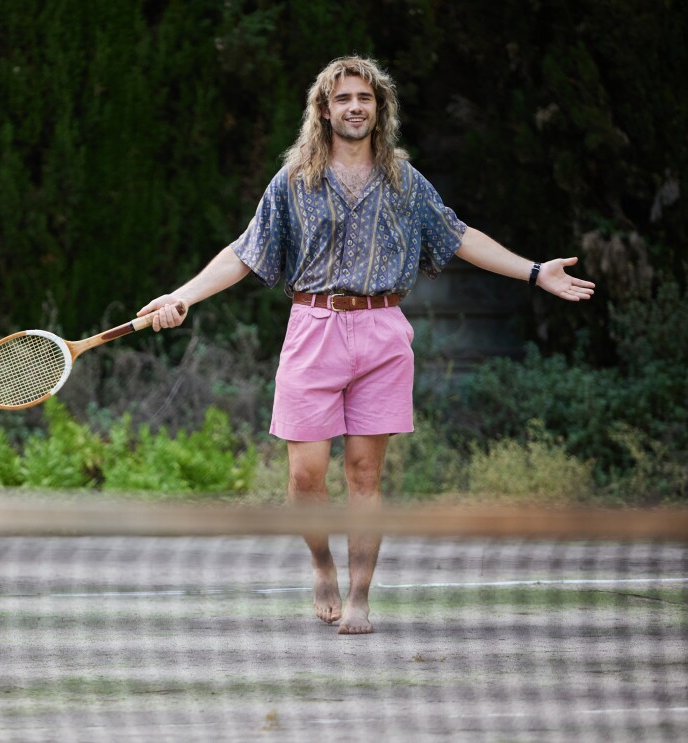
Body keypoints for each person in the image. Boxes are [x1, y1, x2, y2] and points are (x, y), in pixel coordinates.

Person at [137, 56, 595, 635]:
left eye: (365, 98)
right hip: (313, 328)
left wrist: (535, 272)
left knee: (363, 476)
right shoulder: (294, 181)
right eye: (343, 98)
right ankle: (321, 564)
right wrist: (181, 295)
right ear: (323, 110)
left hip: (382, 332)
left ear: (379, 109)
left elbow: (458, 236)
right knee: (306, 476)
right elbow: (243, 252)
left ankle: (359, 595)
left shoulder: (405, 181)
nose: (355, 107)